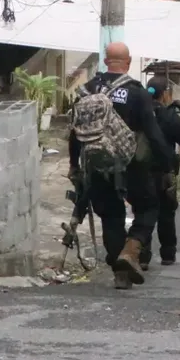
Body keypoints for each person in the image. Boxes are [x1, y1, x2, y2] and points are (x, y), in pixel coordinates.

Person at [69, 42, 172, 289]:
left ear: (106, 62)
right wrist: (167, 164)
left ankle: (121, 274)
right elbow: (153, 132)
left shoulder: (87, 90)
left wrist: (75, 165)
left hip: (96, 164)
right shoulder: (136, 92)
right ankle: (132, 249)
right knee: (148, 209)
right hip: (132, 164)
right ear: (127, 62)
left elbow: (74, 132)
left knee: (111, 217)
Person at [143, 76, 180, 268]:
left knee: (143, 213)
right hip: (164, 173)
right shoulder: (170, 116)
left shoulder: (138, 114)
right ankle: (168, 254)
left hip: (140, 172)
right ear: (165, 94)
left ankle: (143, 256)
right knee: (166, 214)